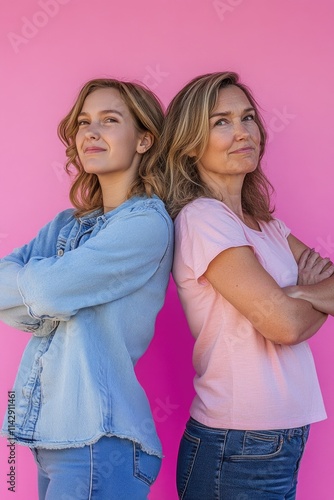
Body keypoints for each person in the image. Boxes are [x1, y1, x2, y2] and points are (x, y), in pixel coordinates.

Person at [157, 72, 334, 499]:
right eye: (221, 122)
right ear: (190, 143)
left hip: (281, 437)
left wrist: (294, 297)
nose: (243, 132)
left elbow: (289, 314)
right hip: (236, 446)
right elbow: (285, 327)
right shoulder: (203, 218)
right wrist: (305, 297)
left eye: (248, 117)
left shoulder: (269, 228)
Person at [0, 78, 173, 499]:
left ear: (144, 140)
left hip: (100, 439)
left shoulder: (146, 224)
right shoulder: (66, 224)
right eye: (83, 122)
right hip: (51, 436)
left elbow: (44, 294)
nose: (90, 133)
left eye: (109, 121)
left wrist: (44, 290)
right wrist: (50, 284)